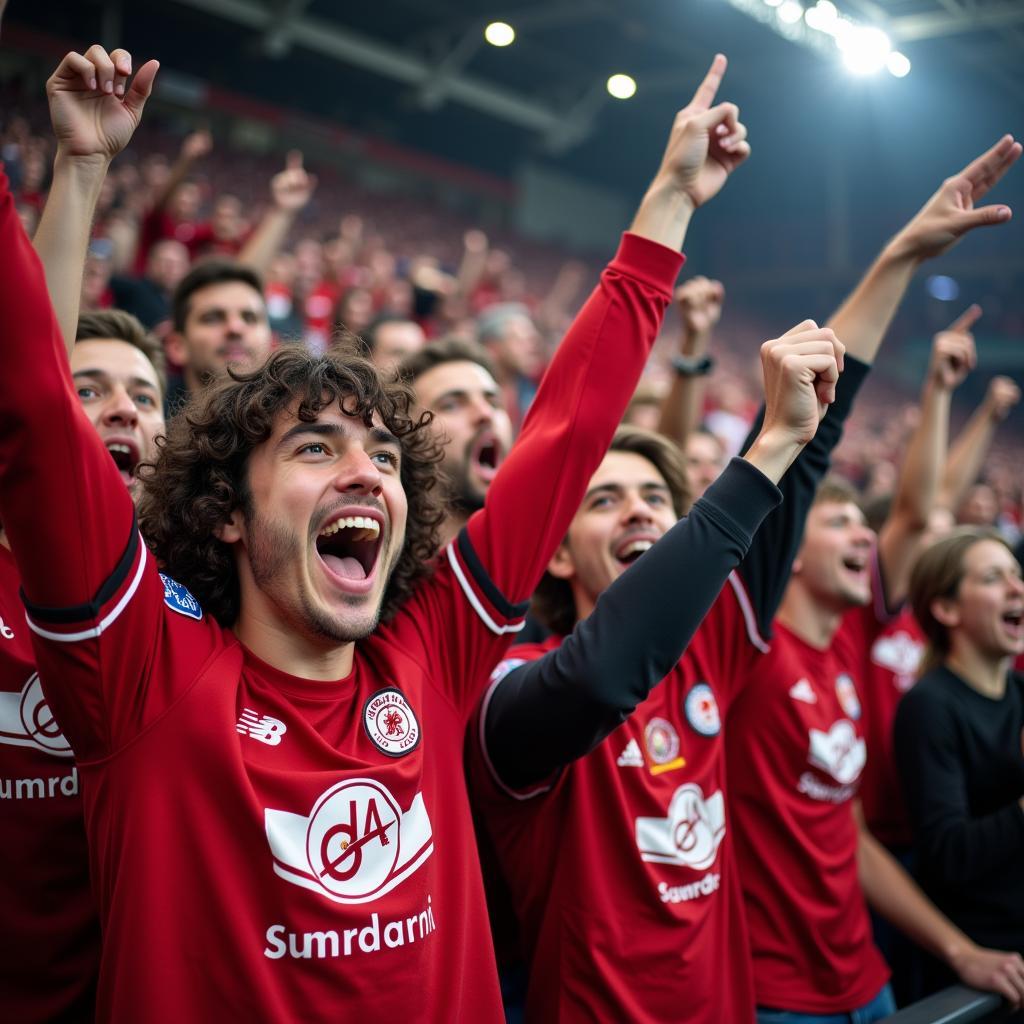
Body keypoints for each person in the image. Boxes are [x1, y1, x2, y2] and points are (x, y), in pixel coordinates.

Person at [0, 46, 733, 1021]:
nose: (363, 471)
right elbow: (36, 410)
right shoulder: (144, 675)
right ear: (225, 510)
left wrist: (669, 204)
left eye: (385, 456)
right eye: (314, 448)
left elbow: (565, 430)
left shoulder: (428, 655)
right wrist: (77, 170)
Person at [724, 135, 1024, 1023]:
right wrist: (900, 256)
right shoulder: (747, 640)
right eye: (838, 519)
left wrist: (953, 948)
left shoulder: (847, 643)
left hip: (869, 978)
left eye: (866, 521)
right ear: (790, 550)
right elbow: (809, 475)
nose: (865, 530)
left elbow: (848, 840)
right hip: (777, 996)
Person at [1, 44, 164, 1022]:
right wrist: (81, 170)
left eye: (143, 397)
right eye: (90, 389)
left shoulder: (180, 598)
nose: (116, 411)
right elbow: (31, 382)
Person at [894, 529, 1024, 994]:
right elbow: (947, 855)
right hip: (985, 978)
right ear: (946, 609)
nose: (1017, 588)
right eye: (994, 578)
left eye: (1017, 574)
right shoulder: (929, 706)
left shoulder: (1019, 693)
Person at [401, 337, 514, 546]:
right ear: (407, 437)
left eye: (493, 402)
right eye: (452, 405)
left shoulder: (550, 559)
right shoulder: (383, 574)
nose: (485, 414)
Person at [164, 258, 273, 406]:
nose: (235, 328)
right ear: (177, 346)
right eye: (213, 318)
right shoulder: (150, 424)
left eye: (249, 318)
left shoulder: (302, 421)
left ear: (271, 339)